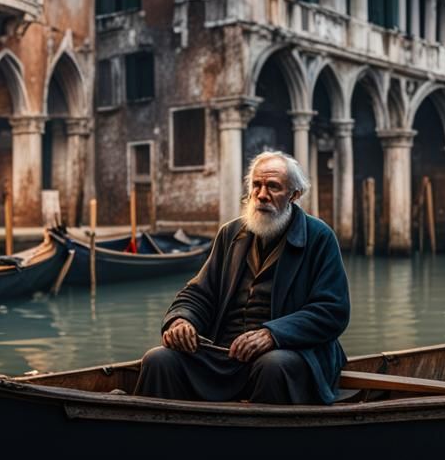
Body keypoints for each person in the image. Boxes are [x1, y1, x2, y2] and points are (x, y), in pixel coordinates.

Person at [133, 150, 350, 405]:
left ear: (294, 195)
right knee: (159, 360)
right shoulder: (231, 233)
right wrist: (181, 320)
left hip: (290, 352)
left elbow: (332, 310)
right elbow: (199, 293)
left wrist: (273, 335)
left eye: (272, 187)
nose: (261, 195)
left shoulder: (319, 237)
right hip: (224, 353)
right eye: (256, 185)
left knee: (273, 365)